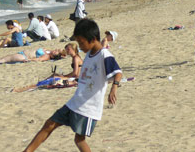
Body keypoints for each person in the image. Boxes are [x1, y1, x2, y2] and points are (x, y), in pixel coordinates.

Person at [23, 19, 122, 152]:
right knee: (49, 124)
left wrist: (114, 88)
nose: (79, 46)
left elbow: (118, 72)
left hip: (88, 108)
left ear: (92, 39)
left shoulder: (104, 55)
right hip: (75, 102)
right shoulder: (88, 55)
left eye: (81, 42)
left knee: (79, 140)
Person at [0, 47, 66, 65]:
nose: (55, 50)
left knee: (6, 59)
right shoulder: (48, 52)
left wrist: (30, 60)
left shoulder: (47, 56)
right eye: (56, 50)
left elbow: (39, 60)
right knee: (6, 57)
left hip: (23, 56)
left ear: (53, 56)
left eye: (56, 52)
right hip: (22, 54)